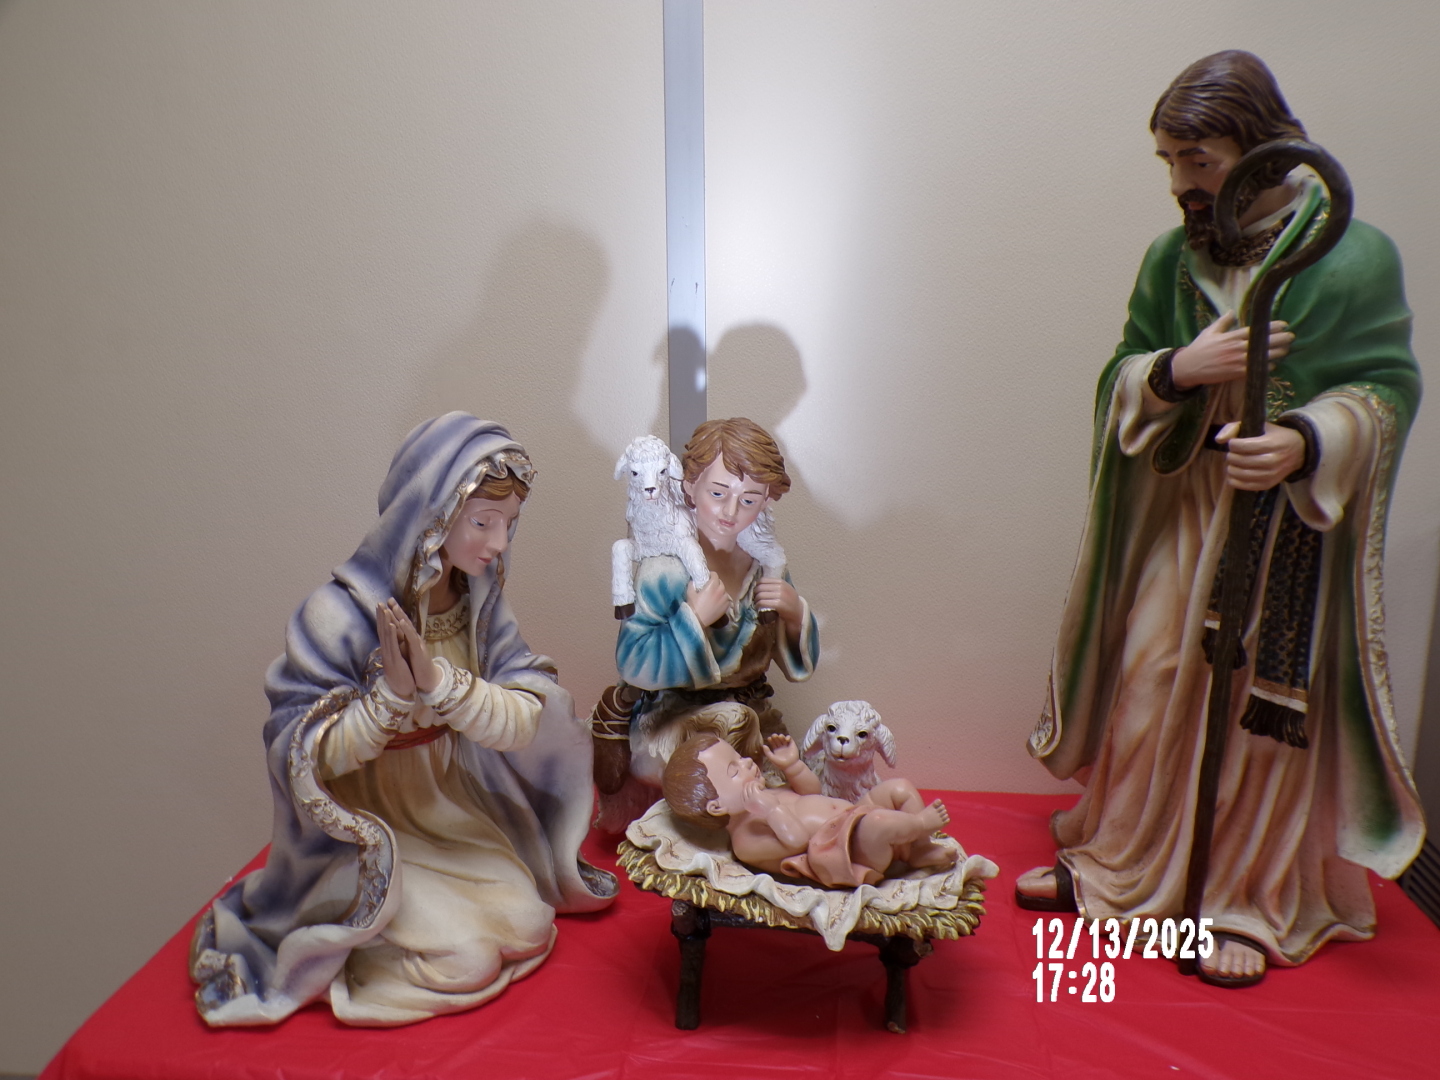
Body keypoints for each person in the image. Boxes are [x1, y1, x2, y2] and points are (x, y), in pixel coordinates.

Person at [1019, 51, 1424, 988]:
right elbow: (1121, 375)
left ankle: (1239, 899)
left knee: (1255, 715)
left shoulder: (1353, 253)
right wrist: (1176, 371)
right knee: (1151, 679)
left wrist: (1307, 440)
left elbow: (1387, 390)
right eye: (1169, 161)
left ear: (1259, 147)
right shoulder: (1173, 259)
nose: (1180, 184)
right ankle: (1119, 864)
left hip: (1287, 533)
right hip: (1191, 509)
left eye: (1197, 161)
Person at [191, 413, 616, 1026]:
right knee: (468, 960)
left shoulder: (478, 602)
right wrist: (387, 700)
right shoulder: (337, 616)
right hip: (368, 832)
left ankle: (398, 935)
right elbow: (302, 753)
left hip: (448, 807)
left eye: (509, 523)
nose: (499, 542)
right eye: (483, 522)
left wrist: (442, 685)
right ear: (431, 513)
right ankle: (345, 956)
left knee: (530, 924)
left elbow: (529, 713)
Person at [593, 418, 820, 828]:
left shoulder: (766, 567)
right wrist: (693, 619)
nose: (731, 512)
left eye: (749, 500)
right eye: (718, 494)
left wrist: (794, 613)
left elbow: (797, 665)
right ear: (689, 485)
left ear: (767, 500)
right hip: (676, 721)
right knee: (722, 749)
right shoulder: (665, 570)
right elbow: (633, 661)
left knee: (786, 779)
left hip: (751, 717)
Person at [663, 733, 956, 886]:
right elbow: (798, 840)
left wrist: (793, 766)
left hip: (854, 813)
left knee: (899, 788)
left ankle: (919, 849)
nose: (747, 762)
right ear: (717, 807)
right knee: (879, 821)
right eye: (734, 769)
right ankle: (920, 826)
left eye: (739, 757)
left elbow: (811, 792)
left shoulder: (768, 794)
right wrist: (771, 811)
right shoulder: (744, 841)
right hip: (851, 849)